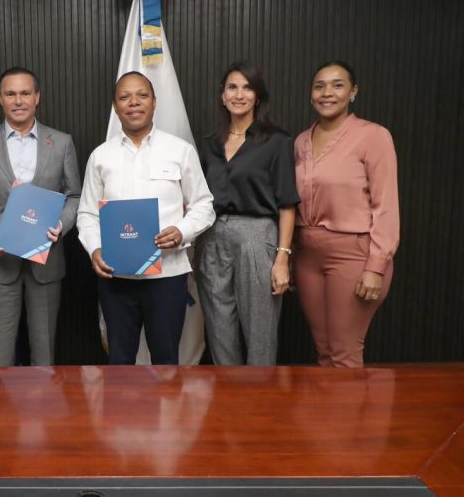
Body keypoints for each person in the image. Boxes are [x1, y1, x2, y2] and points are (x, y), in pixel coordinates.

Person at [77, 71, 215, 365]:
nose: (134, 103)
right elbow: (87, 213)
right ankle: (123, 413)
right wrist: (94, 249)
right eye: (125, 97)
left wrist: (181, 230)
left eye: (141, 95)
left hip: (168, 275)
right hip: (116, 277)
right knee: (121, 362)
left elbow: (204, 205)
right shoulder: (100, 157)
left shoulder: (180, 151)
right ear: (115, 107)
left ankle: (166, 414)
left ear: (154, 102)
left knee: (166, 360)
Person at [0, 67, 81, 367]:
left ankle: (44, 413)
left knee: (44, 356)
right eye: (10, 93)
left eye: (25, 93)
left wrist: (61, 225)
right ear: (0, 98)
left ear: (37, 97)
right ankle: (0, 414)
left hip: (47, 262)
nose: (18, 100)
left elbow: (75, 197)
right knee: (0, 356)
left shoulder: (62, 142)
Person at [293, 61, 400, 368]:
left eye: (337, 85)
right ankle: (332, 416)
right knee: (325, 350)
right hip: (307, 256)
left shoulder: (374, 137)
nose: (327, 93)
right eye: (319, 86)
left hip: (353, 255)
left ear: (353, 92)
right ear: (311, 94)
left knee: (344, 353)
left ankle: (348, 417)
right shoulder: (301, 141)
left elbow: (386, 206)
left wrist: (376, 267)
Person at [195, 61, 300, 365]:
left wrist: (282, 258)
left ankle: (260, 405)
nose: (239, 94)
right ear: (222, 95)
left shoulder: (277, 142)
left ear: (258, 95)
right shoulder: (210, 145)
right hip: (212, 236)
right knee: (218, 329)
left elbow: (287, 204)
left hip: (257, 237)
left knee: (260, 332)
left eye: (247, 87)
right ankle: (230, 404)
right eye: (232, 87)